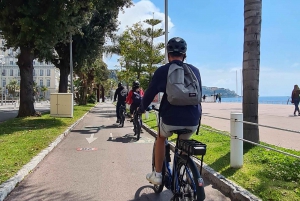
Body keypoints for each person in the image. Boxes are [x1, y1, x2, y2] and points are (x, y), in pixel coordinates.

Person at [139, 37, 202, 185]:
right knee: (183, 143)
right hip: (193, 119)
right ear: (184, 55)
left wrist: (141, 109)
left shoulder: (163, 71)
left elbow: (149, 93)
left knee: (161, 138)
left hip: (170, 119)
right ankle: (185, 172)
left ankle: (158, 175)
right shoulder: (195, 71)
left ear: (168, 54)